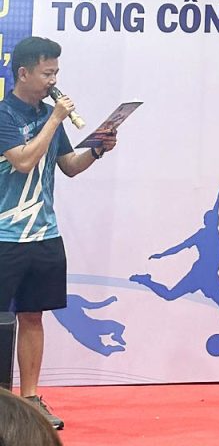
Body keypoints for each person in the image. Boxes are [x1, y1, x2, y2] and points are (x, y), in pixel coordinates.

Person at [0, 36, 117, 431]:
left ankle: (31, 399)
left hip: (44, 235)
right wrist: (54, 120)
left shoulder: (51, 115)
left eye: (56, 73)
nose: (54, 80)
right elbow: (22, 161)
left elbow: (68, 166)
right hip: (5, 237)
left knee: (33, 316)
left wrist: (97, 149)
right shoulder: (4, 115)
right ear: (24, 73)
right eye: (47, 73)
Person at [130, 183, 219, 353]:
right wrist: (162, 255)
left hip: (210, 276)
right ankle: (145, 281)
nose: (217, 220)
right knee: (171, 295)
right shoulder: (202, 234)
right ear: (207, 222)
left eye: (217, 219)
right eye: (214, 219)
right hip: (201, 274)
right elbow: (180, 247)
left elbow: (215, 211)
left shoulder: (214, 229)